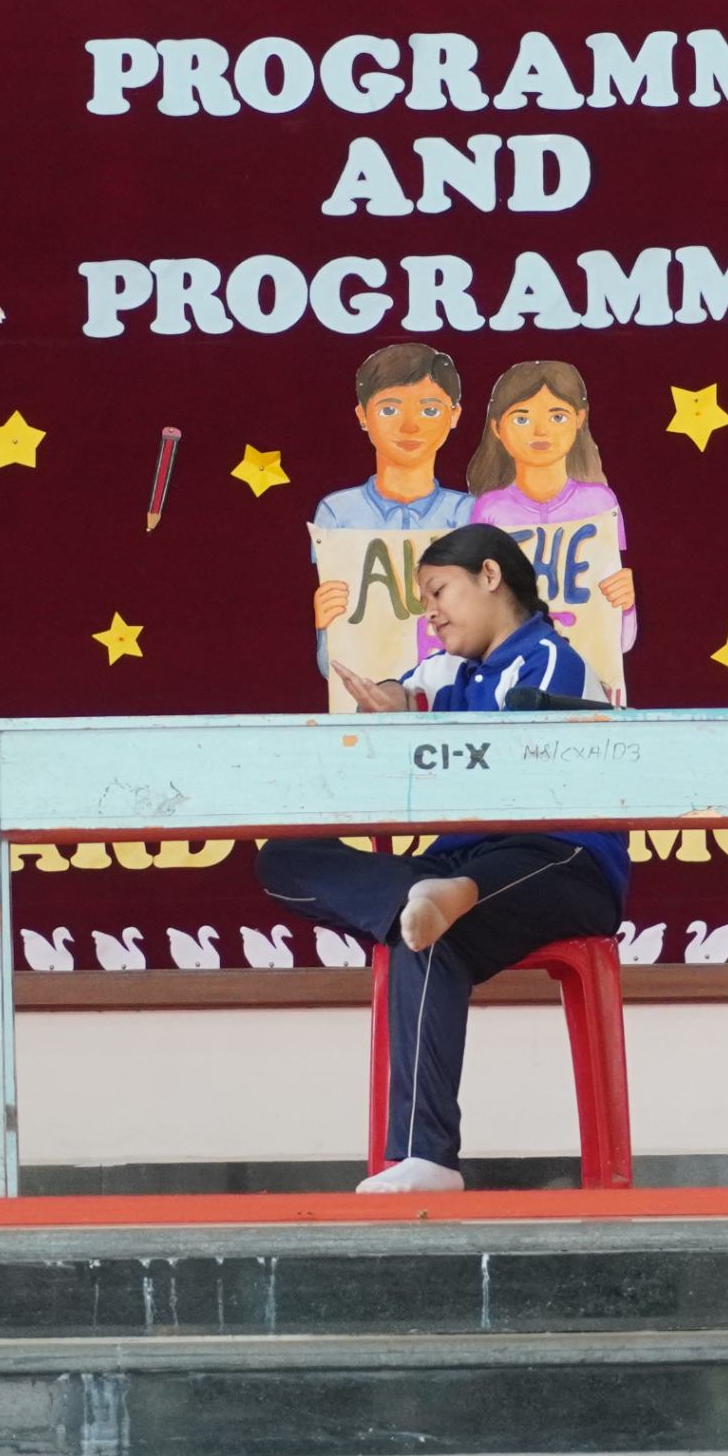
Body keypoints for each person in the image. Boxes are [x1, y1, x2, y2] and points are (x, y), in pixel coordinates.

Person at [254, 523, 628, 1193]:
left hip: (557, 860)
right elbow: (406, 692)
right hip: (454, 868)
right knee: (289, 861)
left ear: (490, 576)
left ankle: (448, 897)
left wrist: (416, 729)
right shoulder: (446, 667)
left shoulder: (548, 659)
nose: (429, 611)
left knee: (449, 907)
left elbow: (512, 773)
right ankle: (423, 903)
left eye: (438, 590)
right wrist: (388, 705)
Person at [306, 341, 475, 678]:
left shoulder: (469, 512)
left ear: (454, 415)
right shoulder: (338, 512)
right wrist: (326, 622)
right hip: (365, 687)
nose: (409, 426)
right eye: (389, 410)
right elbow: (333, 663)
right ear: (362, 416)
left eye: (429, 410)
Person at [461, 357, 637, 675]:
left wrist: (625, 605)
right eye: (521, 418)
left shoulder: (600, 502)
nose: (540, 431)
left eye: (557, 416)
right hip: (514, 672)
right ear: (497, 428)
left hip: (588, 671)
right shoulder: (489, 509)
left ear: (580, 419)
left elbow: (622, 641)